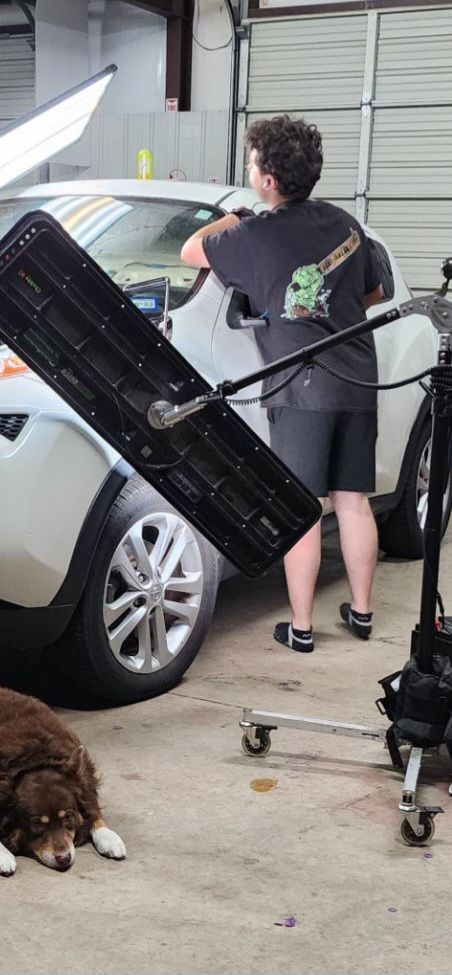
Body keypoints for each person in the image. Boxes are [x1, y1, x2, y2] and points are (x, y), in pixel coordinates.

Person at [179, 115, 385, 653]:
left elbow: (189, 253)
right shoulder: (346, 225)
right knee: (353, 501)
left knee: (301, 510)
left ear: (268, 178)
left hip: (302, 388)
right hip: (359, 378)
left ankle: (301, 628)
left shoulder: (252, 233)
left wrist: (226, 219)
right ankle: (361, 615)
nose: (249, 170)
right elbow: (372, 293)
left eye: (252, 163)